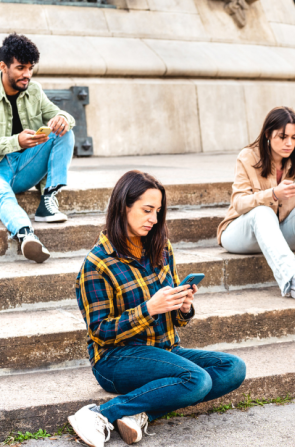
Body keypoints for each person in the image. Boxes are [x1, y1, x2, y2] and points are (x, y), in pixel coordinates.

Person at [69, 171, 246, 447]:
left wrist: (183, 307)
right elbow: (100, 332)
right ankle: (98, 414)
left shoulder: (161, 247)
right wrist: (149, 309)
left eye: (158, 211)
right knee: (197, 380)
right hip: (116, 359)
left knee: (233, 368)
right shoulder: (97, 264)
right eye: (147, 210)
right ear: (123, 207)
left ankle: (138, 411)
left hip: (165, 351)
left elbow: (175, 319)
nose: (154, 218)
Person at [217, 106, 295, 303]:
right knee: (262, 212)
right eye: (283, 136)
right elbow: (239, 203)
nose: (289, 143)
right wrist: (273, 194)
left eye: (294, 138)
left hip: (279, 233)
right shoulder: (248, 157)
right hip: (240, 234)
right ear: (268, 134)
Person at [0, 33, 76, 263]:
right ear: (3, 66)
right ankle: (25, 234)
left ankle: (48, 199)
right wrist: (16, 142)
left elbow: (63, 116)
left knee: (63, 131)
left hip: (25, 167)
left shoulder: (34, 90)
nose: (27, 75)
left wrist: (62, 118)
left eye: (31, 68)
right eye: (21, 68)